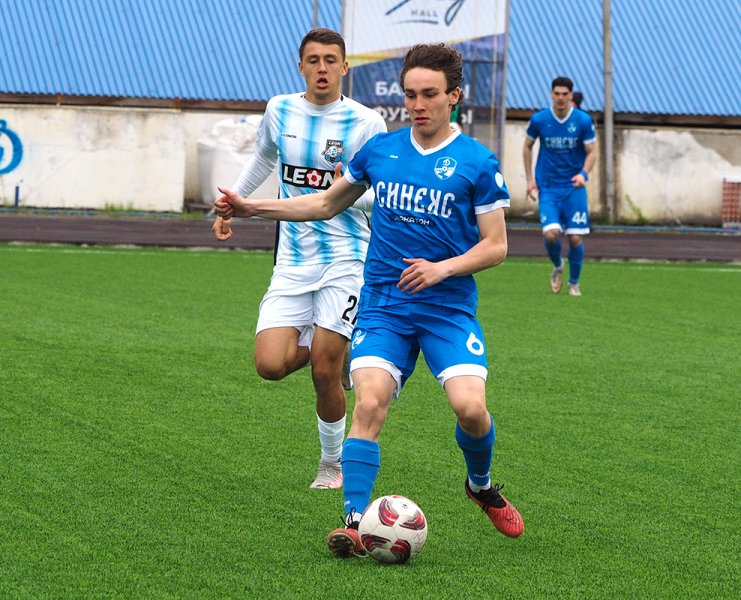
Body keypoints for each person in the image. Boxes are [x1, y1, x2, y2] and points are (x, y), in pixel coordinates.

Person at [214, 43, 525, 557]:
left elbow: (496, 245)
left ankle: (480, 485)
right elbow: (324, 203)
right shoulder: (381, 151)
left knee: (471, 410)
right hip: (384, 305)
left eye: (429, 94)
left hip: (446, 309)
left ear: (454, 96)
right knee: (370, 402)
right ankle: (355, 522)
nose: (418, 104)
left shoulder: (477, 161)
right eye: (410, 94)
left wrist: (441, 268)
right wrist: (251, 208)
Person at [212, 28, 386, 490]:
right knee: (269, 365)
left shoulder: (366, 123)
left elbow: (381, 197)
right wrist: (231, 203)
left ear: (345, 67)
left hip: (347, 257)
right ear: (301, 66)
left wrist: (345, 192)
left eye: (331, 60)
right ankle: (335, 345)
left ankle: (331, 466)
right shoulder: (280, 110)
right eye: (313, 60)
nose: (322, 68)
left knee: (325, 371)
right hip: (292, 260)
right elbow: (263, 160)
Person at [523, 76, 597, 296]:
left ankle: (574, 283)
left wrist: (583, 174)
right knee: (551, 234)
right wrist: (529, 179)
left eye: (565, 94)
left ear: (571, 96)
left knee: (575, 238)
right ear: (551, 94)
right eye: (557, 94)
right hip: (548, 186)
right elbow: (527, 147)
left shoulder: (583, 120)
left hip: (573, 187)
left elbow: (592, 152)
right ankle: (557, 265)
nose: (561, 98)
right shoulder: (539, 119)